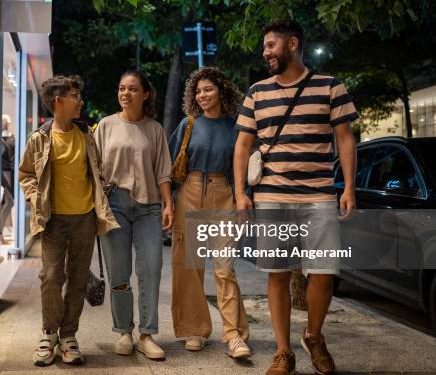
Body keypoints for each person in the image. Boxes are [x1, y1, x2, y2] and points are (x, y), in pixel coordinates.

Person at [234, 21, 358, 375]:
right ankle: (283, 351)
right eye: (264, 47)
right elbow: (242, 146)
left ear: (292, 44)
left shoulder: (331, 86)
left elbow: (345, 138)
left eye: (271, 45)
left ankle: (313, 336)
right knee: (277, 273)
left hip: (319, 195)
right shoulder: (256, 92)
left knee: (323, 272)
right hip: (272, 197)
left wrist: (347, 187)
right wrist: (242, 192)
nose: (266, 52)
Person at [18, 75, 119, 366]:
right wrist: (35, 198)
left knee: (77, 280)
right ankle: (49, 333)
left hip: (85, 220)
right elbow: (26, 175)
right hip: (53, 221)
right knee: (51, 278)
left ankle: (68, 336)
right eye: (75, 96)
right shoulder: (41, 138)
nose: (81, 101)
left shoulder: (86, 134)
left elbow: (96, 170)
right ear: (59, 101)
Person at [169, 66, 251, 358]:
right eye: (198, 91)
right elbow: (169, 166)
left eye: (208, 89)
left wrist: (244, 200)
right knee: (189, 268)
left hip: (224, 193)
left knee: (225, 268)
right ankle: (194, 329)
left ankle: (235, 336)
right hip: (190, 192)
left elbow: (243, 167)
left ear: (222, 91)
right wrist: (168, 203)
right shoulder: (188, 124)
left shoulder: (237, 126)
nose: (202, 95)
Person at [94, 70, 173, 360]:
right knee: (119, 272)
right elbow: (94, 169)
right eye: (121, 88)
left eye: (132, 89)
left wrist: (168, 205)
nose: (125, 94)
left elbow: (163, 171)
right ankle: (123, 331)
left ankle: (147, 334)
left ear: (145, 94)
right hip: (114, 204)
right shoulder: (105, 125)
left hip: (149, 206)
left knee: (151, 269)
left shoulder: (154, 129)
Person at [0, 114, 15, 237]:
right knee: (7, 201)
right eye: (6, 122)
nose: (7, 124)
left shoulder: (10, 138)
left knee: (8, 201)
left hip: (7, 172)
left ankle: (0, 231)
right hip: (0, 172)